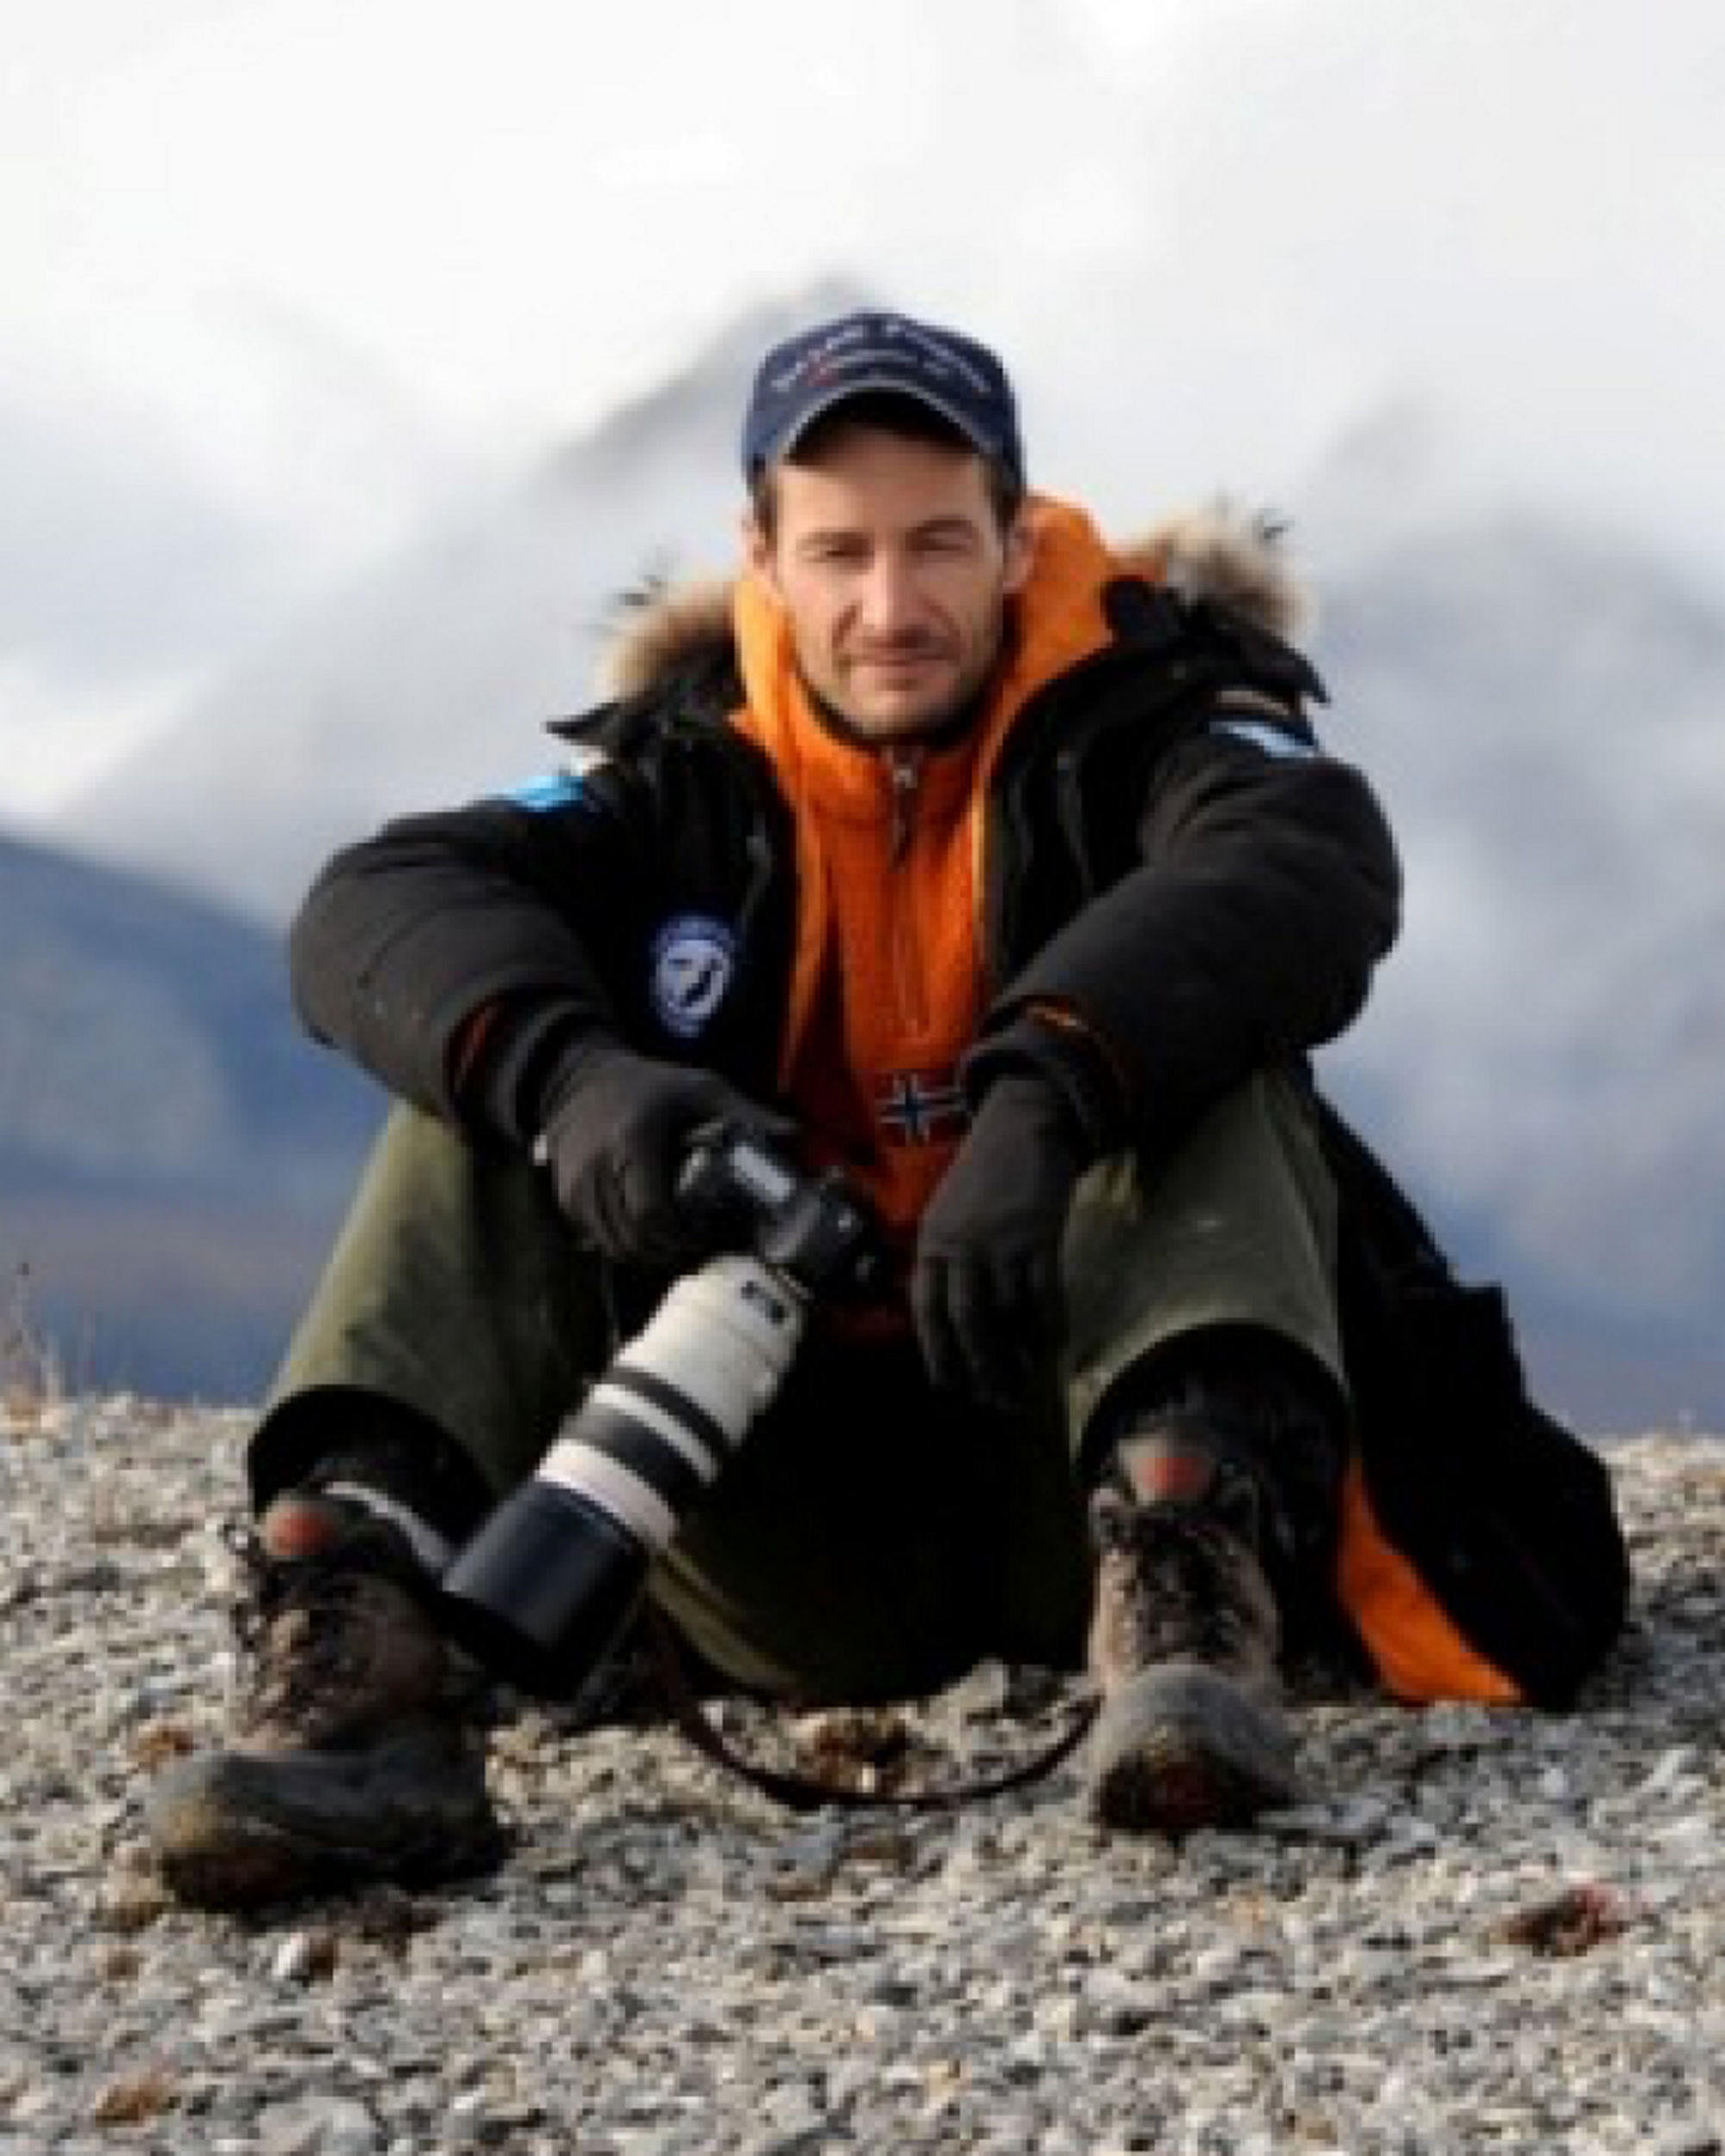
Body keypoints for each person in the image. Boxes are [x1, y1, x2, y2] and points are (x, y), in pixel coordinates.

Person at [145, 308, 1622, 1911]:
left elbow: (1304, 857)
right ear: (762, 559)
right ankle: (355, 1656)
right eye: (840, 552)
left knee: (1204, 1039)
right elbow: (375, 902)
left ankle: (1195, 1615)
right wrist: (586, 1088)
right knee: (484, 1081)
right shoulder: (682, 774)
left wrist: (1051, 1088)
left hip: (1084, 1487)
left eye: (937, 545)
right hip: (760, 1504)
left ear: (1011, 539)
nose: (891, 605)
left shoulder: (1146, 722)